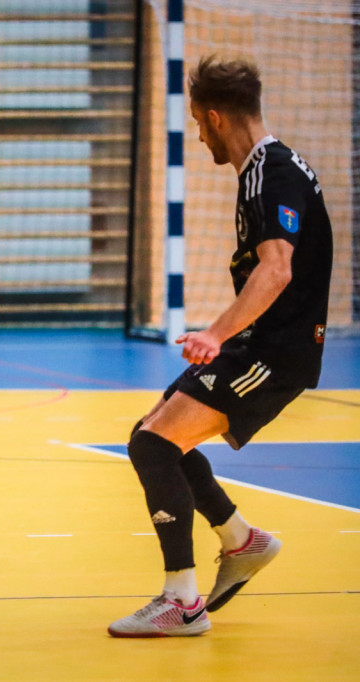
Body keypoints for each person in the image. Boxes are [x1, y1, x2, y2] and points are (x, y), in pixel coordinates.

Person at [108, 55, 333, 637]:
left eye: (199, 123)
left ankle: (181, 602)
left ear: (213, 117)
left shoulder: (272, 173)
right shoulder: (267, 170)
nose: (200, 134)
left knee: (156, 446)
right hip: (258, 344)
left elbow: (277, 270)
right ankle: (242, 541)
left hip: (273, 353)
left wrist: (214, 333)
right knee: (150, 437)